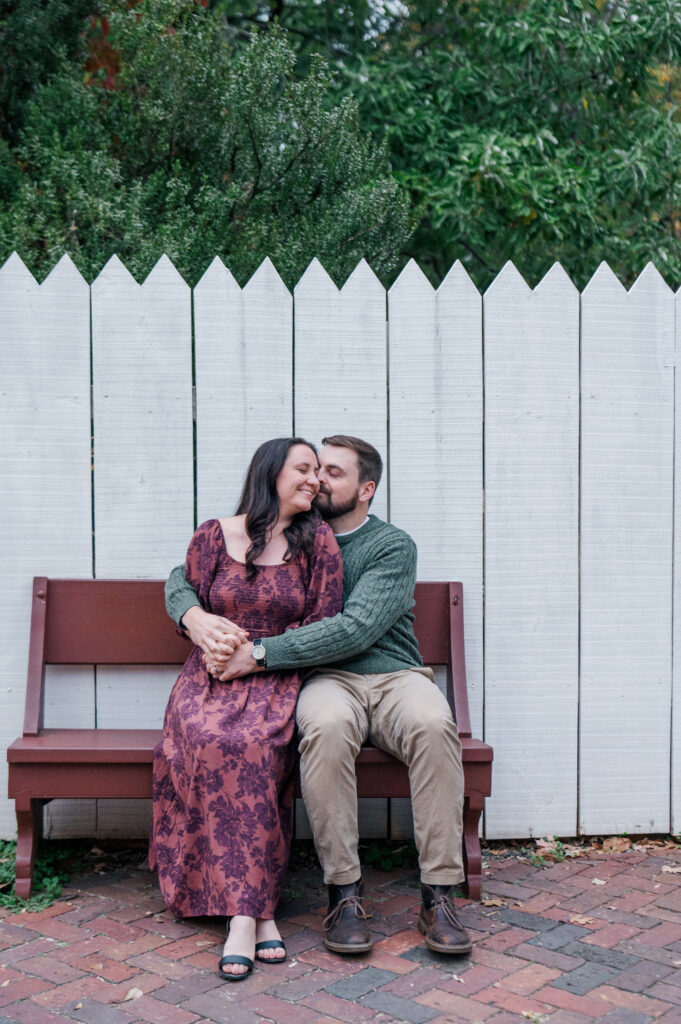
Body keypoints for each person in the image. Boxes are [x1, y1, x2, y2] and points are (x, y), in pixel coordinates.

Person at [166, 435, 472, 957]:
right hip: (325, 678)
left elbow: (354, 629)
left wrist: (258, 654)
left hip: (395, 676)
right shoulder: (301, 531)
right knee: (325, 729)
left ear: (366, 488)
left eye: (333, 472)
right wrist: (190, 614)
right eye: (313, 470)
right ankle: (344, 892)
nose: (318, 480)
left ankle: (439, 893)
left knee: (433, 726)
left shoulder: (391, 546)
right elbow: (190, 570)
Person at [150, 438, 343, 981]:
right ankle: (259, 916)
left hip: (275, 677)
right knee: (208, 738)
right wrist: (198, 625)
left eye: (318, 473)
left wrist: (259, 657)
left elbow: (325, 622)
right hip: (207, 679)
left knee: (255, 747)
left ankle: (243, 914)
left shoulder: (318, 542)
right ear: (269, 474)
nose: (315, 481)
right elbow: (183, 591)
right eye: (302, 470)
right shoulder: (213, 534)